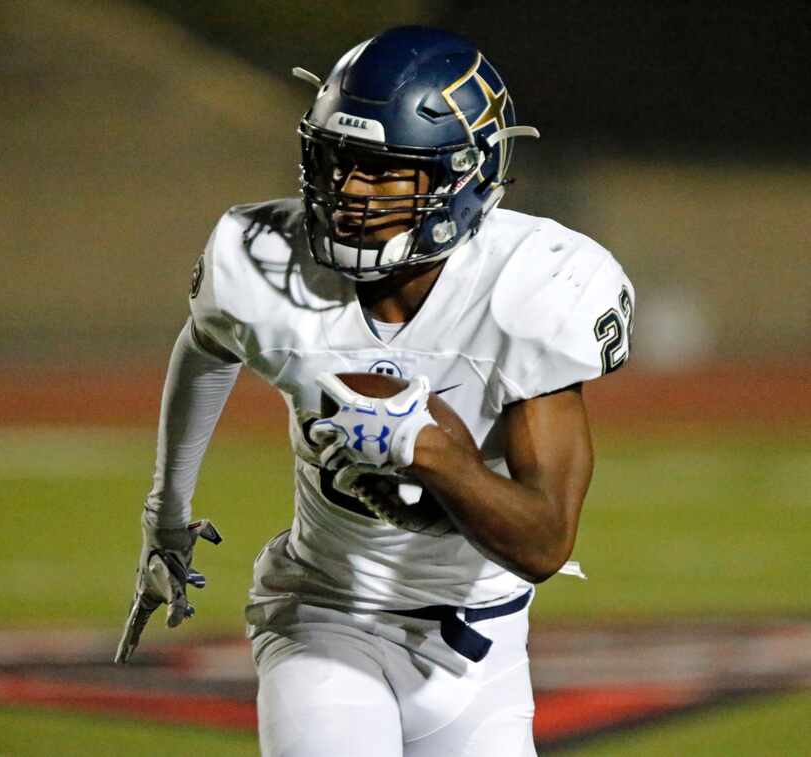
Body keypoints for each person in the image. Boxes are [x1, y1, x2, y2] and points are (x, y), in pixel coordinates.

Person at [116, 25, 634, 757]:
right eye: (340, 162)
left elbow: (546, 539)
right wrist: (165, 515)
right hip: (322, 610)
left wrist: (428, 452)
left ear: (464, 176)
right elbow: (206, 343)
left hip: (480, 636)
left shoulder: (530, 291)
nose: (350, 191)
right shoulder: (265, 265)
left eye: (385, 172)